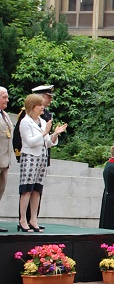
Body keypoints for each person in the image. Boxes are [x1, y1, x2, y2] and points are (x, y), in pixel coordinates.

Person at [17, 93, 67, 232]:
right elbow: (30, 142)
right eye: (40, 105)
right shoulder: (25, 122)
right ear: (33, 107)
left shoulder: (42, 121)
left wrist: (55, 133)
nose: (42, 108)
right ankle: (23, 219)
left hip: (42, 158)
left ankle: (34, 219)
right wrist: (45, 132)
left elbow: (48, 143)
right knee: (27, 189)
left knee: (37, 190)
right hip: (30, 157)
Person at [0, 87, 14, 231]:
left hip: (4, 161)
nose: (7, 100)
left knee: (1, 190)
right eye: (4, 97)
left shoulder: (5, 115)